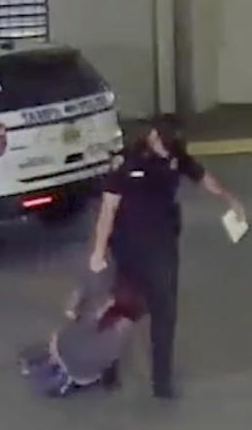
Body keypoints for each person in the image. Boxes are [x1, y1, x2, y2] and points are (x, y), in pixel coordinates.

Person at [88, 114, 244, 399]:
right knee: (122, 306)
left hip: (162, 247)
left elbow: (201, 176)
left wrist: (228, 198)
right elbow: (108, 208)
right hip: (127, 245)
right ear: (153, 136)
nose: (168, 151)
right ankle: (107, 367)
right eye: (165, 145)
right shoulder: (128, 161)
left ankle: (162, 382)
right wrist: (98, 252)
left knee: (164, 312)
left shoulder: (175, 153)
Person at [18, 266, 146, 397]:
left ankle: (45, 365)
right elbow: (110, 360)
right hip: (79, 370)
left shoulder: (98, 304)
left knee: (73, 342)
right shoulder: (124, 329)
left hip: (66, 352)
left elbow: (71, 315)